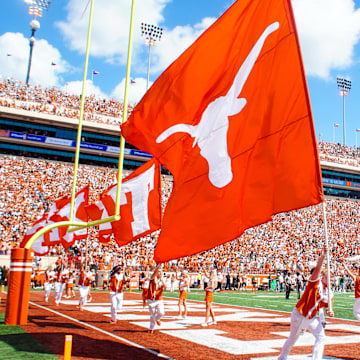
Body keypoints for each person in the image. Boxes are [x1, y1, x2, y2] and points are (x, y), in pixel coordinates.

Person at [278, 248, 334, 360]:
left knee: (321, 337)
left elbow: (328, 309)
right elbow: (317, 269)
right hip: (300, 314)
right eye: (329, 278)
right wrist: (323, 255)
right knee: (293, 338)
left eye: (332, 280)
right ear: (323, 278)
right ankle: (282, 358)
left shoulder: (330, 293)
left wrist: (330, 312)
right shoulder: (315, 283)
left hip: (311, 316)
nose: (331, 281)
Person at [146, 264, 165, 333]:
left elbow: (165, 287)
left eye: (160, 272)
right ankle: (151, 328)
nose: (159, 273)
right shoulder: (153, 278)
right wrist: (158, 267)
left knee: (161, 312)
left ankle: (157, 319)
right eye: (158, 272)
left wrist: (162, 280)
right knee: (152, 314)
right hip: (151, 298)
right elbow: (154, 274)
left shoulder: (162, 280)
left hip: (159, 298)